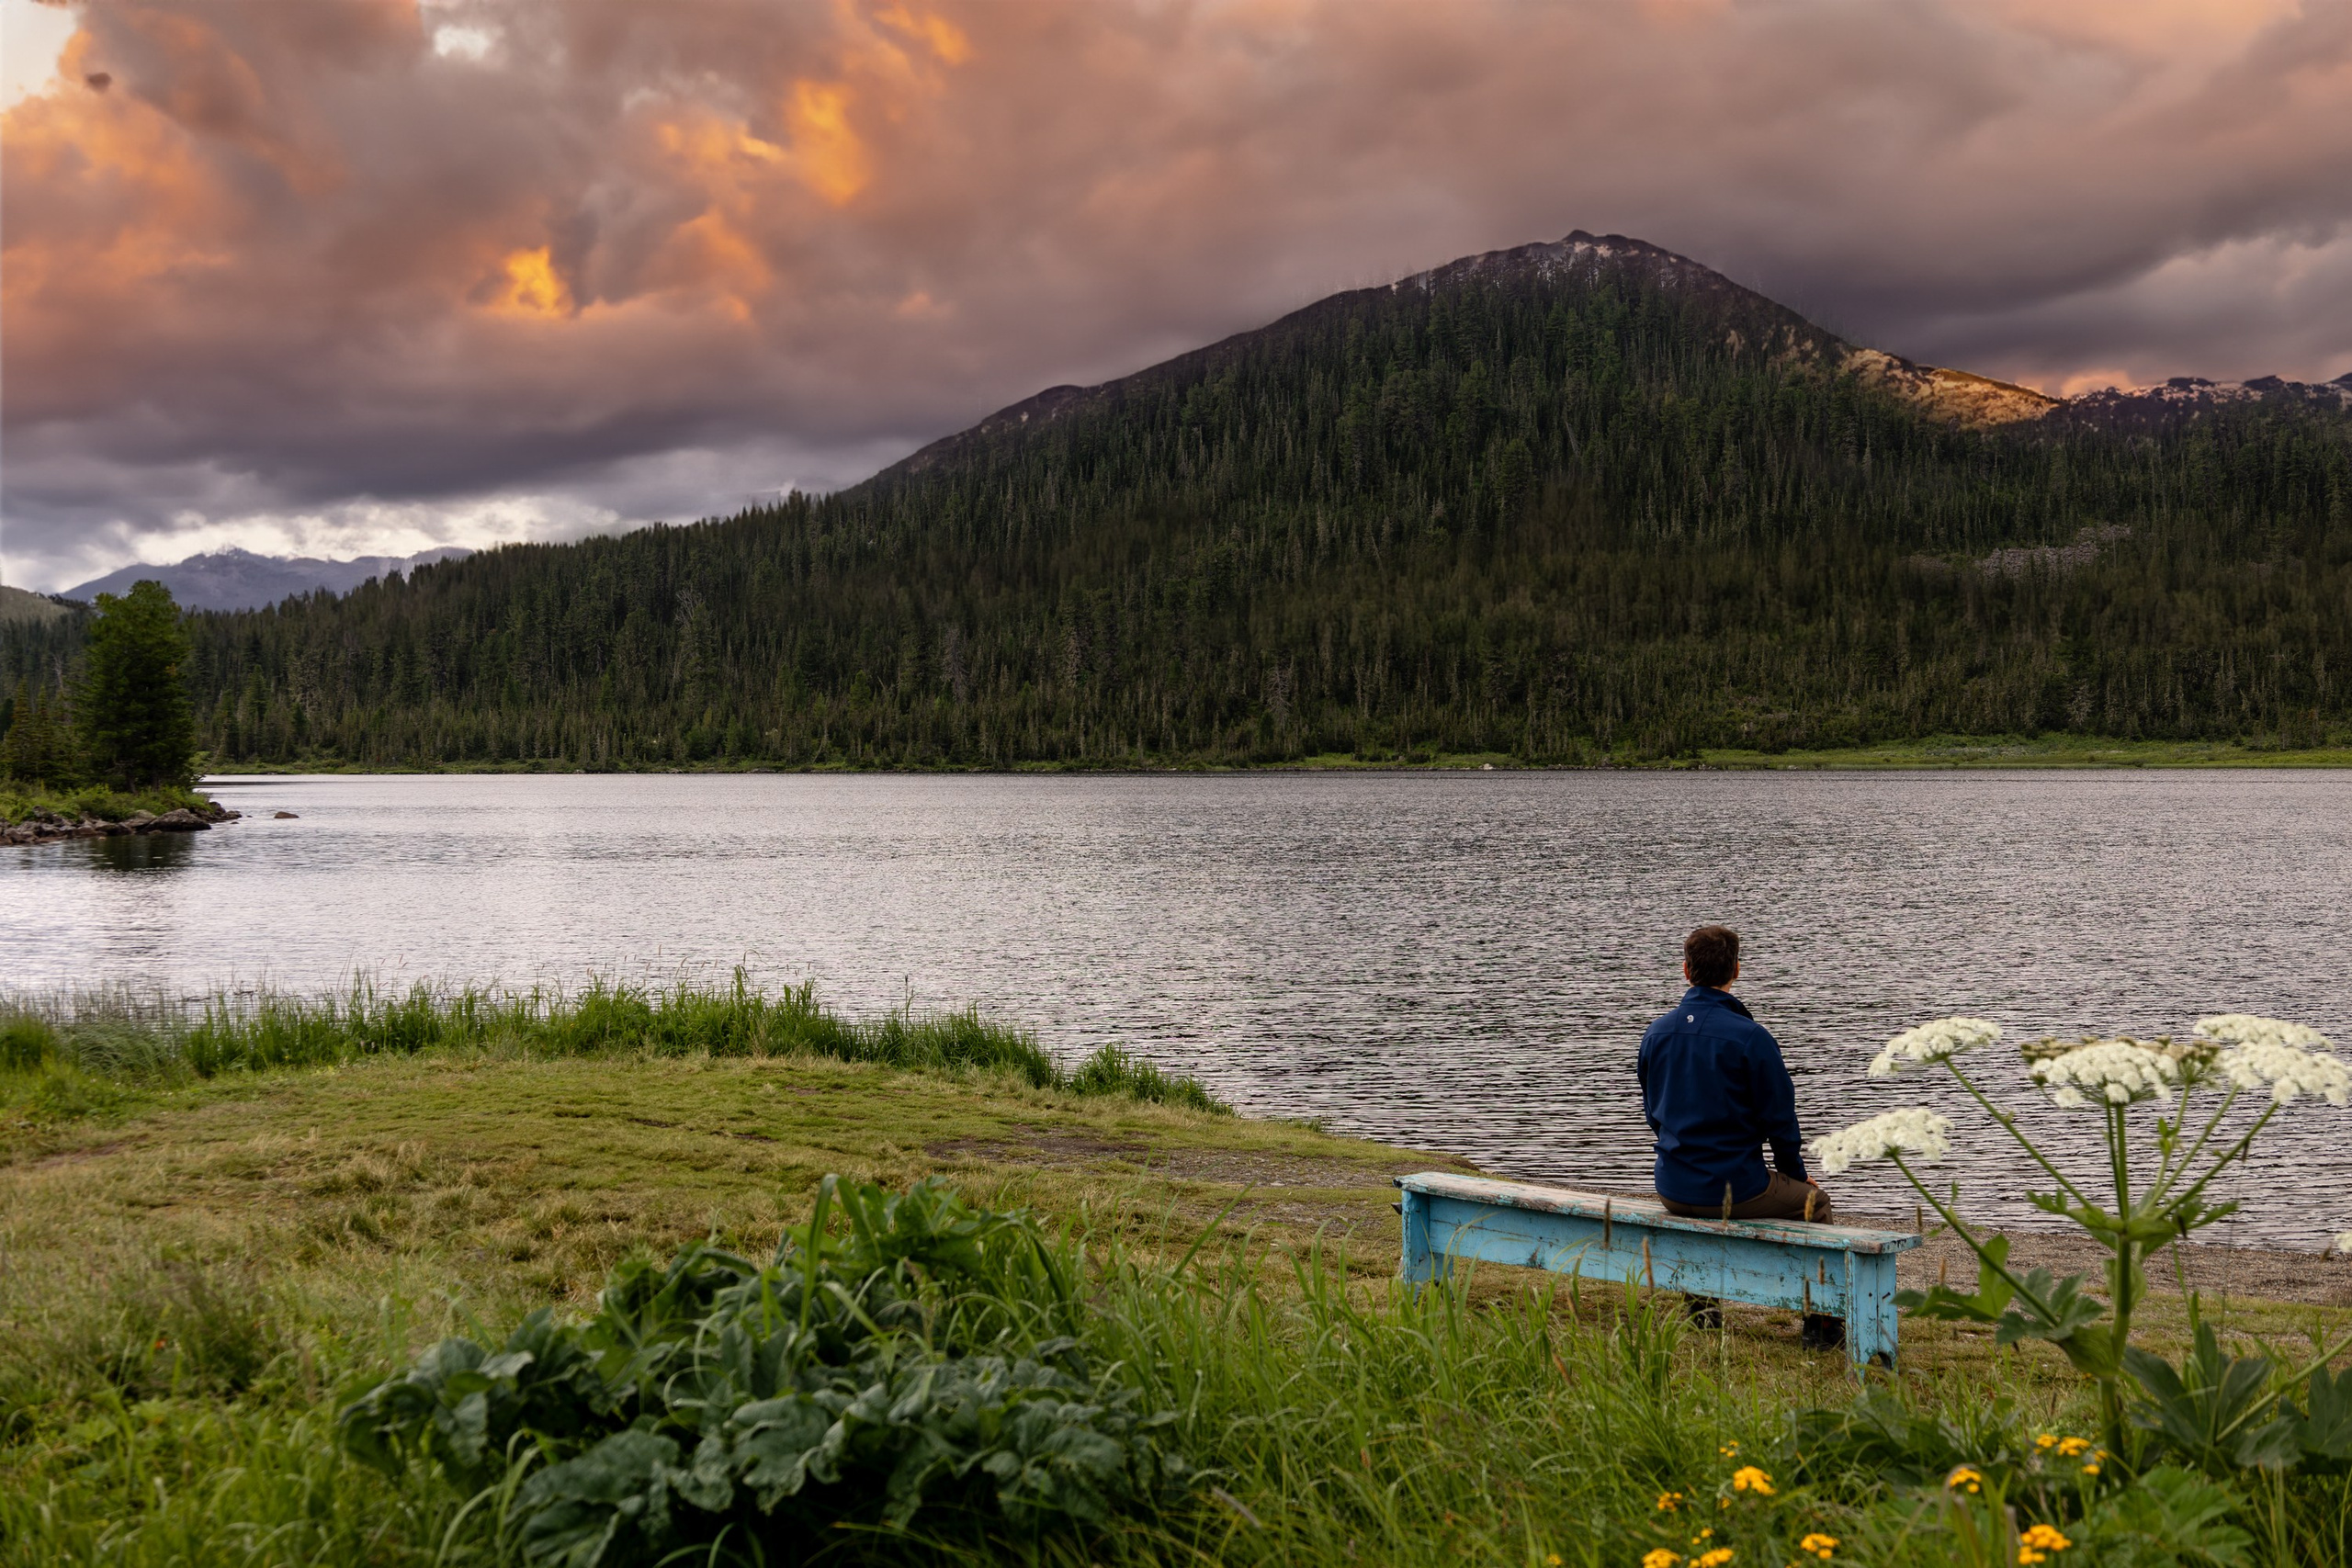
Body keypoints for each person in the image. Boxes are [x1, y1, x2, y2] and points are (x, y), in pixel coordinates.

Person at [1637, 924, 1842, 1348]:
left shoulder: (1656, 1033)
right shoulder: (1751, 1037)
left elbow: (1653, 1114)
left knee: (1701, 1214)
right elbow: (1781, 1123)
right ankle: (1821, 1326)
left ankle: (1703, 1315)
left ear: (1686, 970)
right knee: (1816, 1204)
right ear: (1736, 970)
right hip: (1736, 1187)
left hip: (1672, 1186)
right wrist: (1796, 1175)